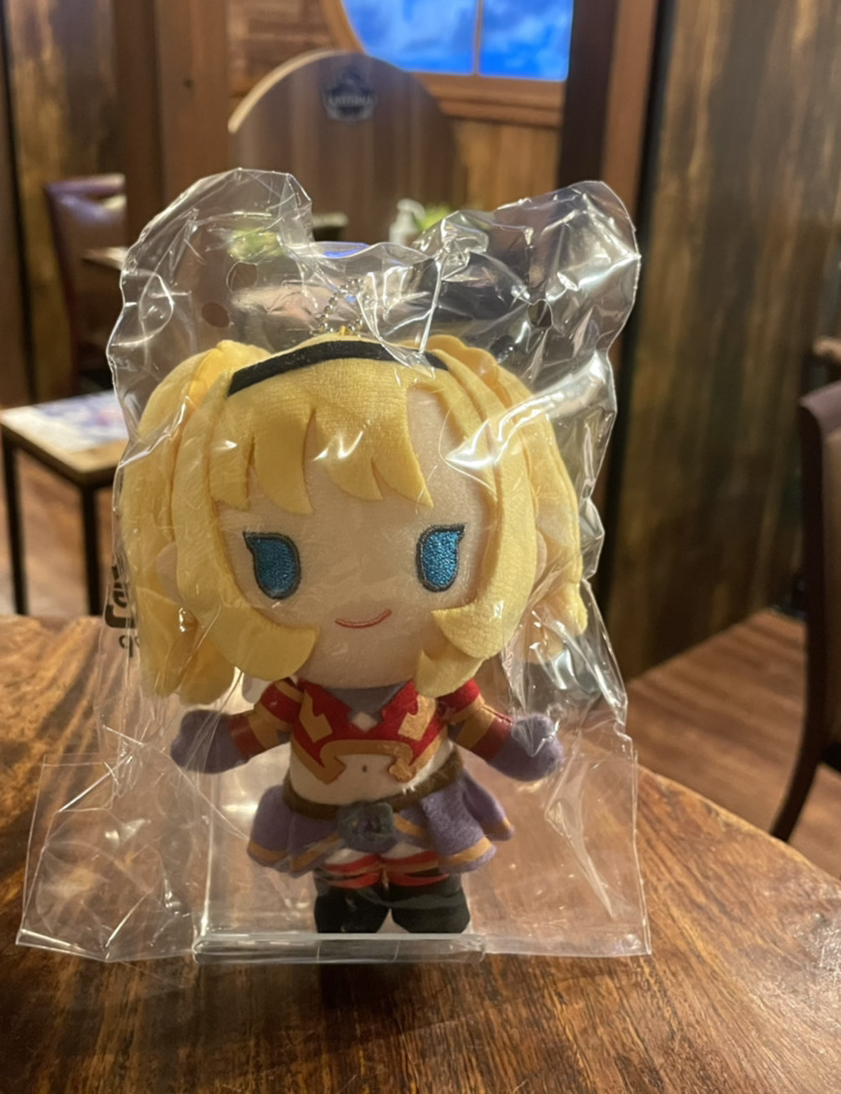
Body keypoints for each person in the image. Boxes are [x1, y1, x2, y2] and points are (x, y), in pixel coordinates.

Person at [120, 334, 586, 933]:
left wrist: (516, 746)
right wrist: (218, 743)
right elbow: (258, 729)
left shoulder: (436, 685)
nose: (364, 603)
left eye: (439, 556)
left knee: (427, 887)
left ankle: (424, 895)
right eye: (276, 566)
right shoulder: (297, 694)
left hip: (423, 814)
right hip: (327, 825)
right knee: (343, 890)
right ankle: (349, 902)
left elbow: (475, 724)